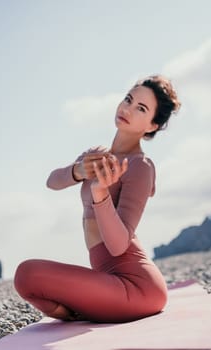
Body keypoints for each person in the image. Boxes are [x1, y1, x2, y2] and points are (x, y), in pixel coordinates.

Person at [14, 75, 181, 323]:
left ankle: (83, 311)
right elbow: (52, 182)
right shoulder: (96, 155)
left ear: (152, 126)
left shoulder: (140, 167)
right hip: (106, 279)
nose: (127, 108)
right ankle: (80, 312)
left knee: (27, 273)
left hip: (137, 287)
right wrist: (78, 171)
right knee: (25, 276)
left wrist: (100, 194)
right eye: (128, 99)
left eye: (141, 108)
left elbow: (118, 246)